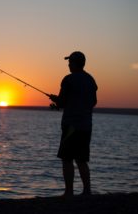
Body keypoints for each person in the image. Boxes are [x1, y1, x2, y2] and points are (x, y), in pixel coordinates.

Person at [50, 51, 97, 197]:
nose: (68, 64)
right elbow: (93, 102)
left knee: (67, 158)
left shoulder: (68, 79)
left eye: (70, 62)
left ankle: (69, 192)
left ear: (75, 63)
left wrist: (56, 101)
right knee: (82, 159)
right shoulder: (91, 80)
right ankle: (87, 191)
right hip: (86, 126)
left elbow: (63, 101)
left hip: (71, 126)